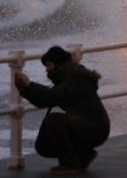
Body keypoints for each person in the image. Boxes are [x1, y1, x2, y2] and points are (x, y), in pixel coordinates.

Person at [14, 46, 110, 174]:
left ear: (57, 64)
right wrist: (27, 89)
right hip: (96, 127)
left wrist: (28, 86)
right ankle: (83, 155)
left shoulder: (75, 79)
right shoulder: (74, 75)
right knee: (46, 141)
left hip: (95, 129)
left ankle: (69, 164)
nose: (47, 71)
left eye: (48, 65)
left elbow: (50, 97)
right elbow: (51, 97)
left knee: (55, 120)